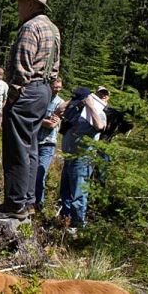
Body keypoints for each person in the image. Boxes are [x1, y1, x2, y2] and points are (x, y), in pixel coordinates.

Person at [0, 0, 60, 221]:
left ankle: (14, 203)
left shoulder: (30, 27)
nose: (18, 7)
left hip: (27, 91)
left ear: (31, 5)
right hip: (43, 91)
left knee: (16, 148)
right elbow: (55, 66)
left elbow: (21, 67)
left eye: (21, 3)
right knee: (30, 147)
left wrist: (12, 97)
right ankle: (28, 201)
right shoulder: (53, 29)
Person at [59, 87, 107, 229]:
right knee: (65, 191)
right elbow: (59, 110)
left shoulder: (97, 112)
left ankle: (78, 224)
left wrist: (90, 105)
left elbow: (100, 126)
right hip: (69, 157)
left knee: (78, 194)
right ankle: (66, 220)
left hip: (82, 158)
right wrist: (71, 101)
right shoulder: (75, 111)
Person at [33, 78, 64, 211]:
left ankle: (39, 203)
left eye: (59, 87)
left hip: (48, 143)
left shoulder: (60, 103)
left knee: (41, 173)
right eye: (55, 87)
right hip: (34, 140)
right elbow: (32, 117)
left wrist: (38, 120)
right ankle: (29, 201)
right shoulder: (41, 99)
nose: (57, 90)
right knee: (31, 172)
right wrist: (43, 120)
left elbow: (52, 125)